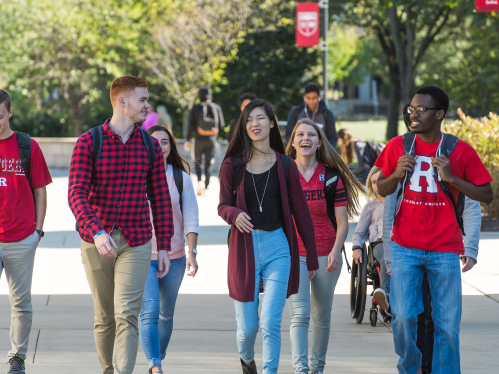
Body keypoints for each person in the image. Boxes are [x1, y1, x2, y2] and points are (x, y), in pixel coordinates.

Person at [376, 85, 494, 374]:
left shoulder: (459, 150)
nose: (413, 115)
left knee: (447, 325)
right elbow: (381, 188)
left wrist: (451, 177)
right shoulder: (398, 146)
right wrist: (395, 174)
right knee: (403, 317)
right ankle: (411, 367)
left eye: (421, 110)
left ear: (439, 114)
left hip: (444, 249)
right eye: (411, 109)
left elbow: (486, 193)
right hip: (406, 247)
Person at [68, 76, 174, 374]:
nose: (147, 105)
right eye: (142, 99)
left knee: (127, 313)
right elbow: (76, 193)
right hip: (96, 240)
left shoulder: (150, 146)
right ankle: (108, 370)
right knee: (105, 317)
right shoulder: (90, 141)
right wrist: (96, 231)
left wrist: (163, 245)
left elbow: (161, 199)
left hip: (137, 240)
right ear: (121, 101)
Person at [218, 99, 319, 374]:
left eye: (261, 118)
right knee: (248, 327)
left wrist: (310, 256)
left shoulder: (285, 165)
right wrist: (233, 214)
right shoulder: (232, 164)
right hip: (244, 249)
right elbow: (222, 204)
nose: (255, 124)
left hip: (278, 247)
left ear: (271, 123)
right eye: (249, 119)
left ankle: (269, 371)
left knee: (271, 321)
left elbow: (301, 213)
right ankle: (247, 359)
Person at [286, 118, 363, 374]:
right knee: (300, 314)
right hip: (294, 254)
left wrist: (335, 252)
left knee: (321, 315)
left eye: (311, 135)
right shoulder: (284, 173)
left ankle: (317, 368)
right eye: (300, 135)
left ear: (319, 142)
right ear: (293, 141)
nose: (305, 139)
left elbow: (343, 222)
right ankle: (300, 369)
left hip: (326, 254)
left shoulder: (331, 178)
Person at [0, 89, 52, 374]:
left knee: (21, 303)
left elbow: (40, 192)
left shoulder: (26, 146)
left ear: (9, 113)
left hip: (21, 237)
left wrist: (38, 233)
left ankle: (17, 357)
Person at [140, 125, 199, 374]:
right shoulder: (136, 175)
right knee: (150, 310)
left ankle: (158, 356)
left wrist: (192, 253)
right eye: (155, 142)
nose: (160, 147)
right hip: (141, 254)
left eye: (165, 142)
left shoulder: (180, 177)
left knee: (166, 314)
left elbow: (191, 217)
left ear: (170, 147)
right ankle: (155, 365)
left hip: (174, 257)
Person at [351, 166, 391, 315]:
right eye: (373, 182)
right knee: (387, 256)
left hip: (400, 241)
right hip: (379, 243)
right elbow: (360, 231)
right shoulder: (371, 206)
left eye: (380, 180)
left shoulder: (401, 201)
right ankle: (386, 294)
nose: (377, 185)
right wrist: (356, 247)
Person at [185, 86, 225, 195]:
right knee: (208, 163)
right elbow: (221, 125)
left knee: (197, 162)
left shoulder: (195, 108)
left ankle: (199, 183)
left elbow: (190, 125)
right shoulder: (216, 107)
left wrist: (187, 139)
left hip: (198, 140)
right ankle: (206, 186)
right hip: (211, 140)